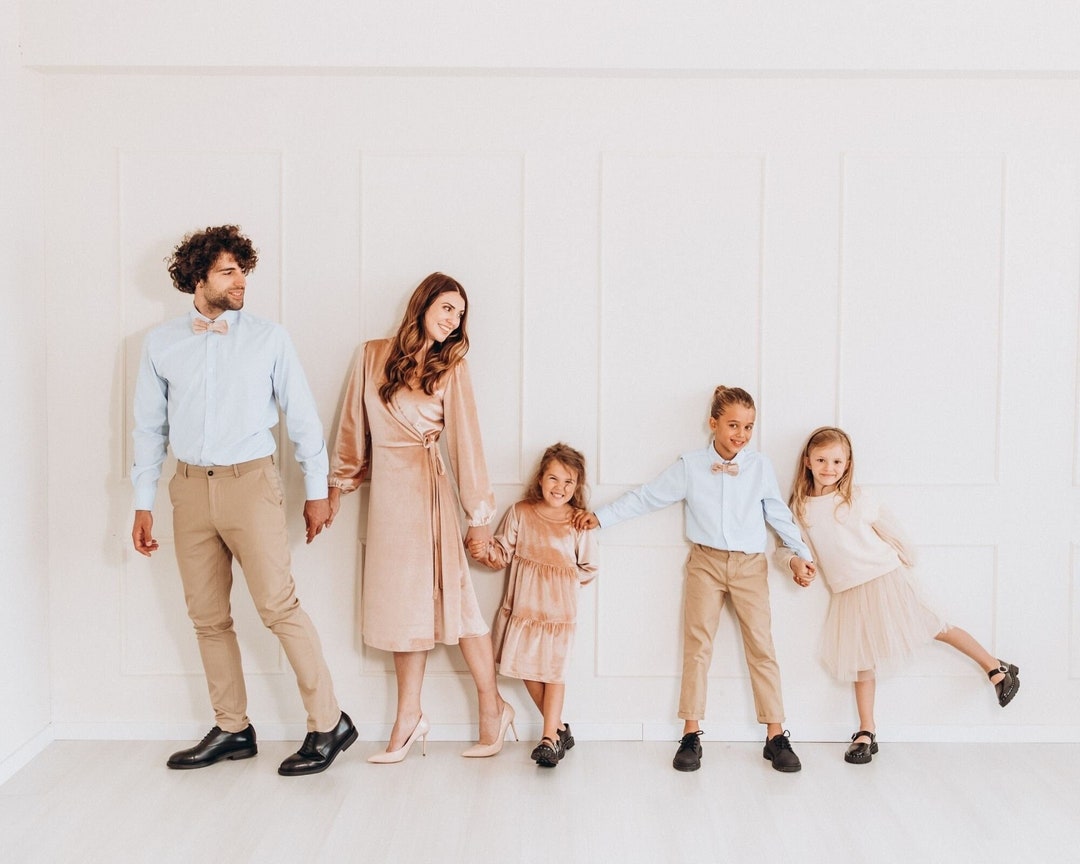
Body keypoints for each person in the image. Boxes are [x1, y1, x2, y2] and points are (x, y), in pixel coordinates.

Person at [130, 225, 355, 776]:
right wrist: (143, 501)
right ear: (197, 278)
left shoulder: (269, 337)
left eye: (243, 270)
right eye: (228, 272)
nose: (241, 282)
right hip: (187, 489)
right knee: (207, 617)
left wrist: (319, 490)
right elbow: (146, 429)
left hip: (252, 484)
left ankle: (329, 723)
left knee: (278, 607)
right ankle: (233, 728)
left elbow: (302, 419)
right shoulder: (160, 344)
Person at [574, 386, 815, 773]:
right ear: (713, 423)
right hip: (705, 563)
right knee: (697, 645)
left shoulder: (760, 467)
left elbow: (779, 514)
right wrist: (601, 517)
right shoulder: (689, 466)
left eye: (748, 426)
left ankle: (776, 734)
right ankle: (691, 732)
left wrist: (802, 554)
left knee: (762, 646)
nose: (740, 433)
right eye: (733, 424)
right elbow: (648, 497)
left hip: (750, 566)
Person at [328, 272, 514, 763]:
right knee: (399, 608)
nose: (453, 321)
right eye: (447, 308)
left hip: (430, 497)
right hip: (388, 500)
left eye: (460, 314)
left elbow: (467, 445)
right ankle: (409, 718)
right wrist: (335, 486)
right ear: (424, 303)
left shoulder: (453, 367)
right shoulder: (371, 355)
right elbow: (352, 428)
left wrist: (478, 515)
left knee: (458, 604)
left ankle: (492, 707)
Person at [783, 426, 1020, 764]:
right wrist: (796, 563)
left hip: (884, 579)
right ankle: (867, 730)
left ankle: (996, 668)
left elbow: (894, 534)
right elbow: (790, 546)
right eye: (821, 460)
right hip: (847, 592)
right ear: (807, 461)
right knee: (861, 661)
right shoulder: (801, 507)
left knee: (933, 625)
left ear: (848, 464)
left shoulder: (858, 499)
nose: (828, 467)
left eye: (837, 461)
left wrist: (905, 568)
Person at [469, 443, 598, 768]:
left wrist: (563, 584)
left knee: (553, 671)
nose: (561, 488)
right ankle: (559, 729)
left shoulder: (576, 522)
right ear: (540, 479)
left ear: (577, 486)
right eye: (554, 479)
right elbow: (501, 554)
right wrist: (481, 549)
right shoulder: (521, 512)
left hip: (559, 614)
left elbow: (589, 567)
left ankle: (548, 739)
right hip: (524, 609)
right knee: (526, 667)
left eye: (569, 482)